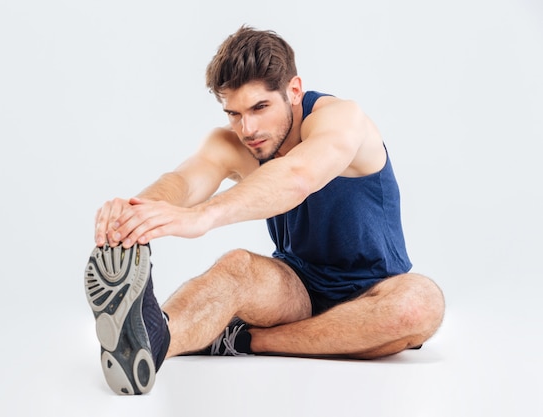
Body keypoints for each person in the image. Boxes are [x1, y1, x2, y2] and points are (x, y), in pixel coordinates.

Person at [84, 25, 445, 395]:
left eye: (260, 107)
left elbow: (298, 175)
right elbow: (184, 181)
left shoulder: (341, 119)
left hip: (376, 291)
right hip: (298, 289)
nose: (248, 128)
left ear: (294, 90)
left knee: (420, 304)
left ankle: (249, 340)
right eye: (234, 114)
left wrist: (203, 216)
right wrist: (133, 212)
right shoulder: (236, 141)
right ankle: (152, 342)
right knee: (237, 267)